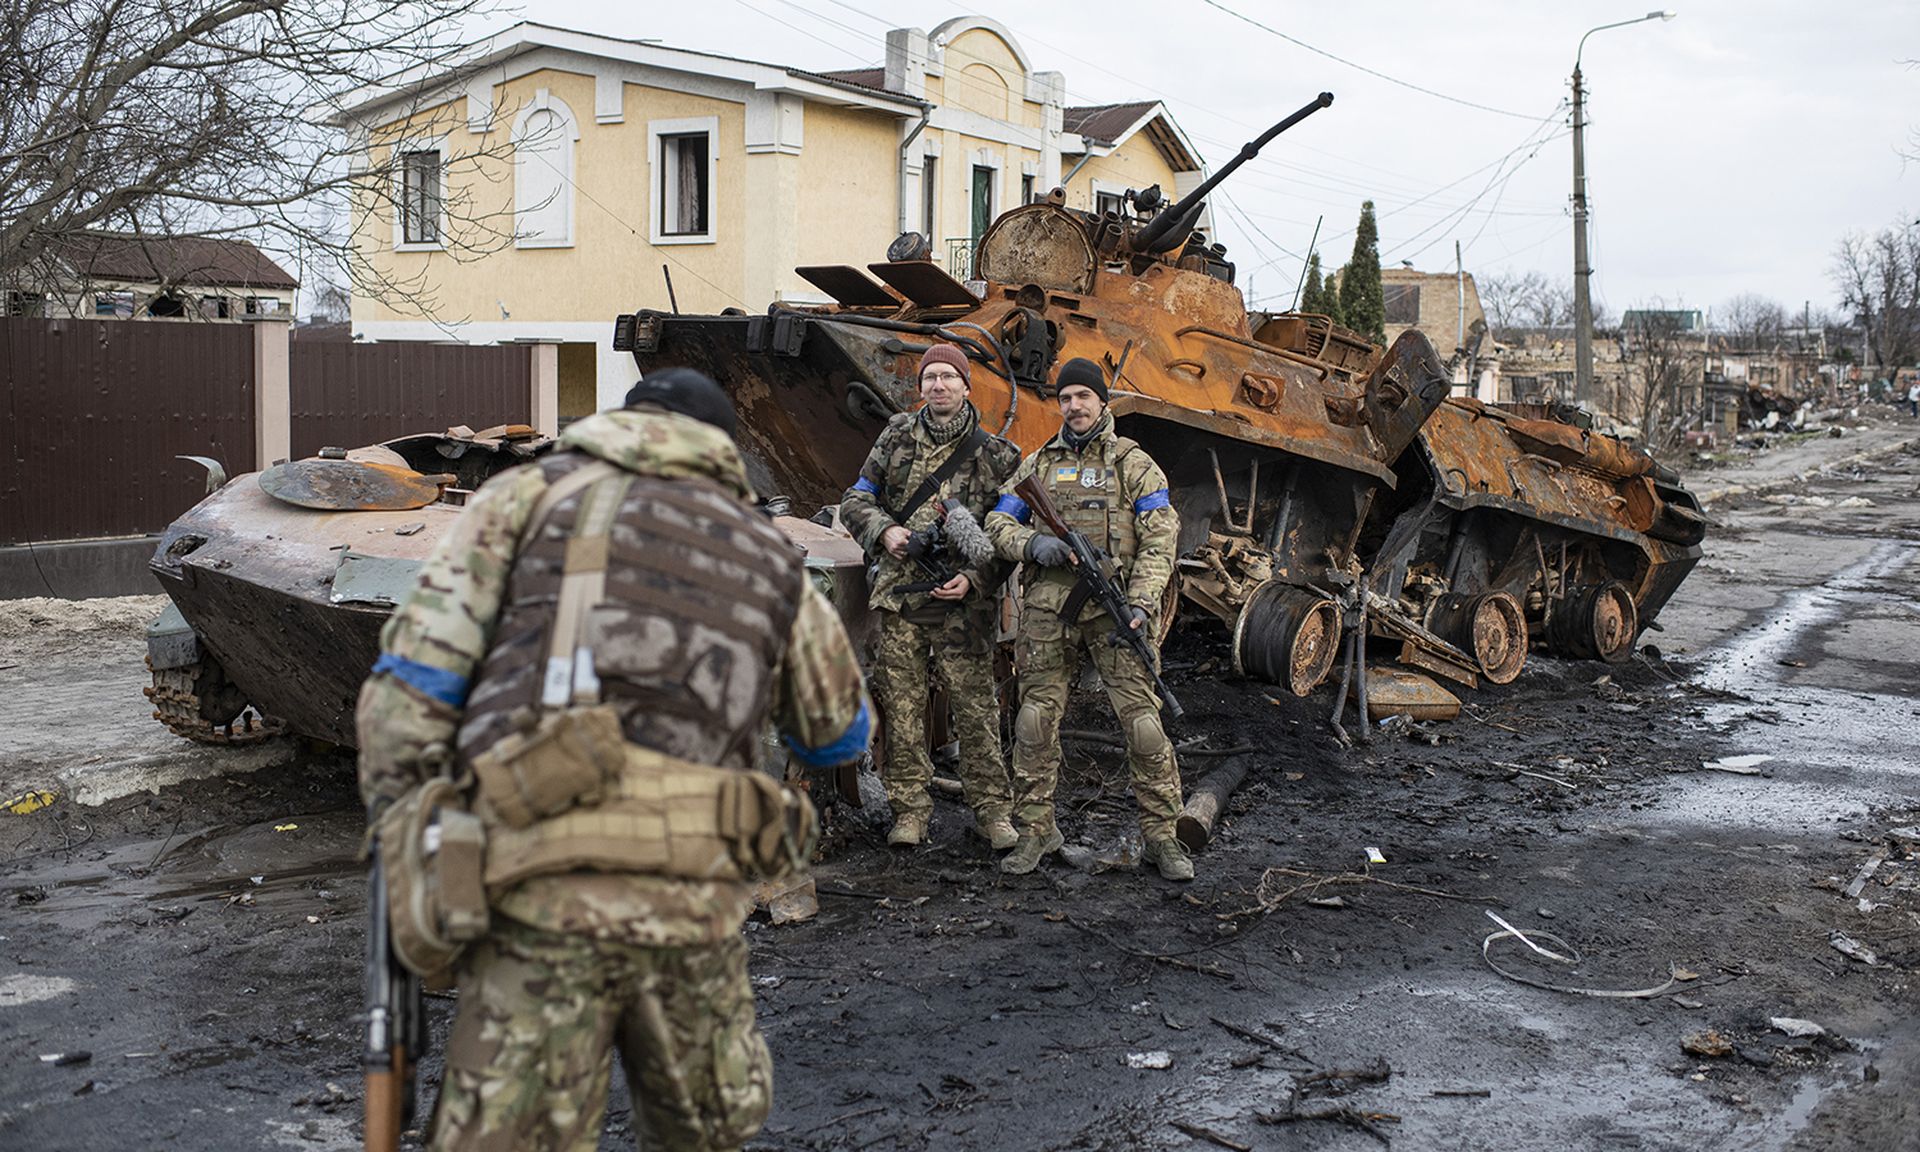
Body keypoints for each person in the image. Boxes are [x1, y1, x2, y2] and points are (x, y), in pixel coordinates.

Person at [355, 368, 870, 1152]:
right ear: (722, 449)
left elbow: (404, 699)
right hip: (692, 910)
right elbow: (838, 735)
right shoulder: (769, 551)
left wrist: (413, 842)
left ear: (619, 427)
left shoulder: (519, 504)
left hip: (532, 901)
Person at [984, 356, 1191, 881]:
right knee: (1033, 722)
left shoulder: (1134, 464)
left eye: (1083, 396)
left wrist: (1142, 602)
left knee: (1144, 726)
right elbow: (997, 522)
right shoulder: (1037, 466)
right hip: (1048, 615)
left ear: (1103, 401)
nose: (1074, 406)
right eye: (1066, 397)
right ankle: (1035, 832)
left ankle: (1162, 836)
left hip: (1117, 613)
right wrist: (1036, 544)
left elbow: (1161, 539)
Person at [839, 343, 1022, 849]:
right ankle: (910, 812)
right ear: (919, 386)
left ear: (966, 386)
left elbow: (1008, 538)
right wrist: (884, 532)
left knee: (976, 709)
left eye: (948, 377)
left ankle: (994, 814)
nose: (938, 386)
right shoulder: (896, 436)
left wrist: (976, 580)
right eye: (930, 378)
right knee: (902, 706)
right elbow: (856, 497)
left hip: (964, 605)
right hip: (901, 598)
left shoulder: (998, 456)